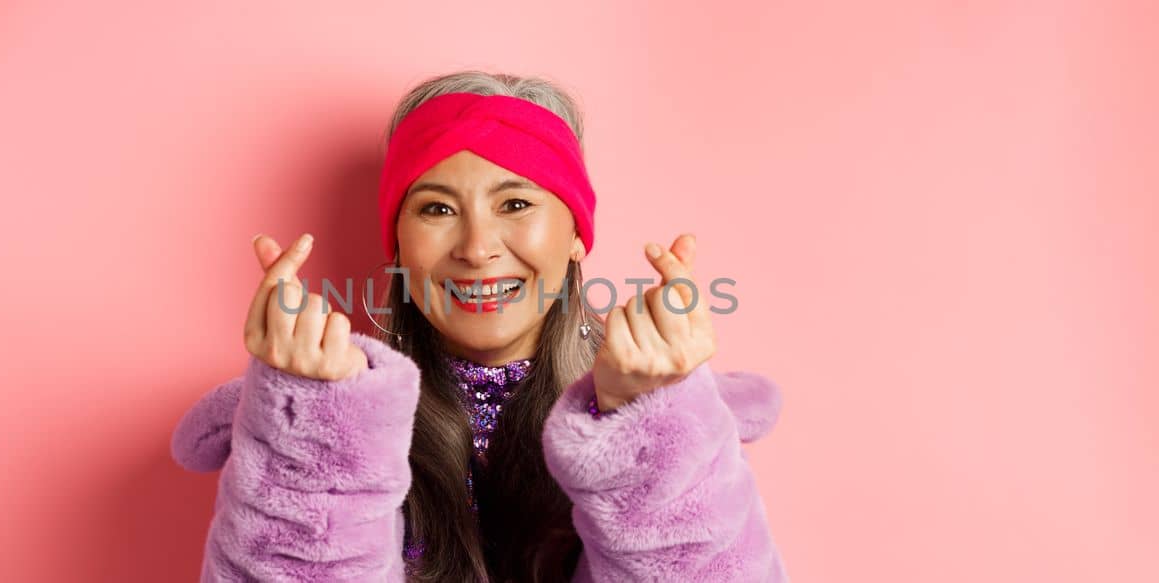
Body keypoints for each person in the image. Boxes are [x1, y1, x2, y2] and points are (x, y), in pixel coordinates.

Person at [171, 71, 789, 582]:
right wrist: (312, 436)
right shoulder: (321, 417)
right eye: (437, 209)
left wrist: (654, 426)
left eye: (515, 204)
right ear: (398, 245)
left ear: (576, 235)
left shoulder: (677, 414)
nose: (476, 247)